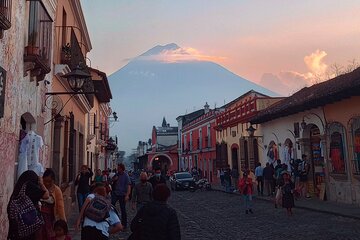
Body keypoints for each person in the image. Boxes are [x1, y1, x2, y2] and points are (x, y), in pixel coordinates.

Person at [7, 170, 49, 240]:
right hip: (28, 230)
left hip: (16, 232)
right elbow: (46, 195)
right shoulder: (30, 186)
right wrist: (41, 184)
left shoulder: (17, 191)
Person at [40, 168, 66, 239]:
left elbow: (60, 207)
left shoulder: (57, 190)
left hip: (50, 218)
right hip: (39, 218)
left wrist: (63, 222)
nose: (47, 183)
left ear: (53, 181)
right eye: (45, 181)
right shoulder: (40, 187)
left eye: (49, 181)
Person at [111, 163, 131, 228]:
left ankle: (124, 224)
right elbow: (110, 181)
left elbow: (129, 186)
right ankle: (114, 220)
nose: (117, 169)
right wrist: (114, 179)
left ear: (122, 169)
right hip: (115, 193)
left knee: (123, 209)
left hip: (122, 194)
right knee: (111, 206)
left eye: (118, 168)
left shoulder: (126, 176)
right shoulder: (117, 174)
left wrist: (127, 195)